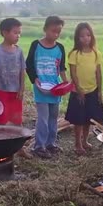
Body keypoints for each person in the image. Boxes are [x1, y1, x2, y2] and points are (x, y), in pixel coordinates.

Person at [0, 17, 31, 158]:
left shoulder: (19, 52)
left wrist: (22, 89)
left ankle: (19, 147)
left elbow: (22, 71)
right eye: (15, 33)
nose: (18, 36)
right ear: (4, 33)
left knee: (17, 120)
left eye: (19, 33)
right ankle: (1, 147)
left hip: (16, 92)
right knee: (2, 120)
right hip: (1, 92)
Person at [25, 15, 68, 159]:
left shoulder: (60, 48)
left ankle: (51, 143)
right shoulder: (36, 45)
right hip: (41, 88)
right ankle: (39, 146)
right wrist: (35, 79)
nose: (55, 34)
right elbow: (29, 65)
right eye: (52, 31)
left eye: (58, 32)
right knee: (43, 118)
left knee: (53, 117)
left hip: (55, 89)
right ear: (45, 29)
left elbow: (61, 68)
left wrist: (66, 83)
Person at [65, 22, 103, 156]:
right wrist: (79, 89)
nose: (85, 38)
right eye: (82, 36)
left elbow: (98, 73)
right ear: (77, 38)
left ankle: (85, 141)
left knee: (89, 119)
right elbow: (73, 74)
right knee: (78, 120)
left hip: (93, 90)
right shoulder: (75, 54)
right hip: (78, 92)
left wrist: (99, 91)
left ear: (92, 36)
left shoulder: (96, 53)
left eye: (88, 35)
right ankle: (77, 143)